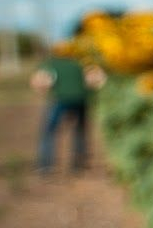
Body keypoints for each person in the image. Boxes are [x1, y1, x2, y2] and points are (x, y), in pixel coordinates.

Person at [33, 43, 104, 172]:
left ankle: (46, 165)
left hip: (60, 100)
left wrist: (44, 91)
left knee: (49, 132)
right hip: (81, 99)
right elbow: (96, 79)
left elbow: (40, 81)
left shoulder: (50, 64)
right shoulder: (82, 63)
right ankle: (79, 163)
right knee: (79, 131)